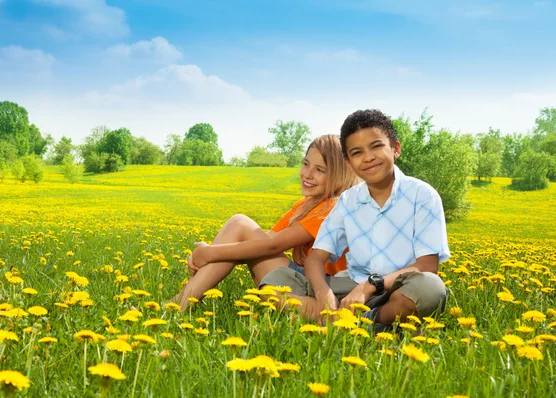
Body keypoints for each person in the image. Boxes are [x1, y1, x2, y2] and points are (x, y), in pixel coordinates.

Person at [260, 109, 449, 329]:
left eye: (376, 146)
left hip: (397, 288)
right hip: (348, 285)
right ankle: (355, 321)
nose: (368, 157)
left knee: (431, 289)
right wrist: (323, 292)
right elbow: (316, 258)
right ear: (349, 163)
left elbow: (427, 266)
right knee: (274, 283)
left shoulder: (422, 195)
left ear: (395, 148)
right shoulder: (348, 201)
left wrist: (369, 286)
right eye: (357, 152)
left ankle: (353, 320)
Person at [172, 134, 357, 309]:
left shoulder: (333, 208)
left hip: (326, 289)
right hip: (301, 281)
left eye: (320, 170)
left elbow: (271, 246)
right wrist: (209, 251)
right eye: (306, 164)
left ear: (340, 175)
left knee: (240, 225)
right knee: (239, 225)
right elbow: (258, 243)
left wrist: (210, 253)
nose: (307, 174)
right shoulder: (306, 205)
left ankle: (179, 304)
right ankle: (181, 302)